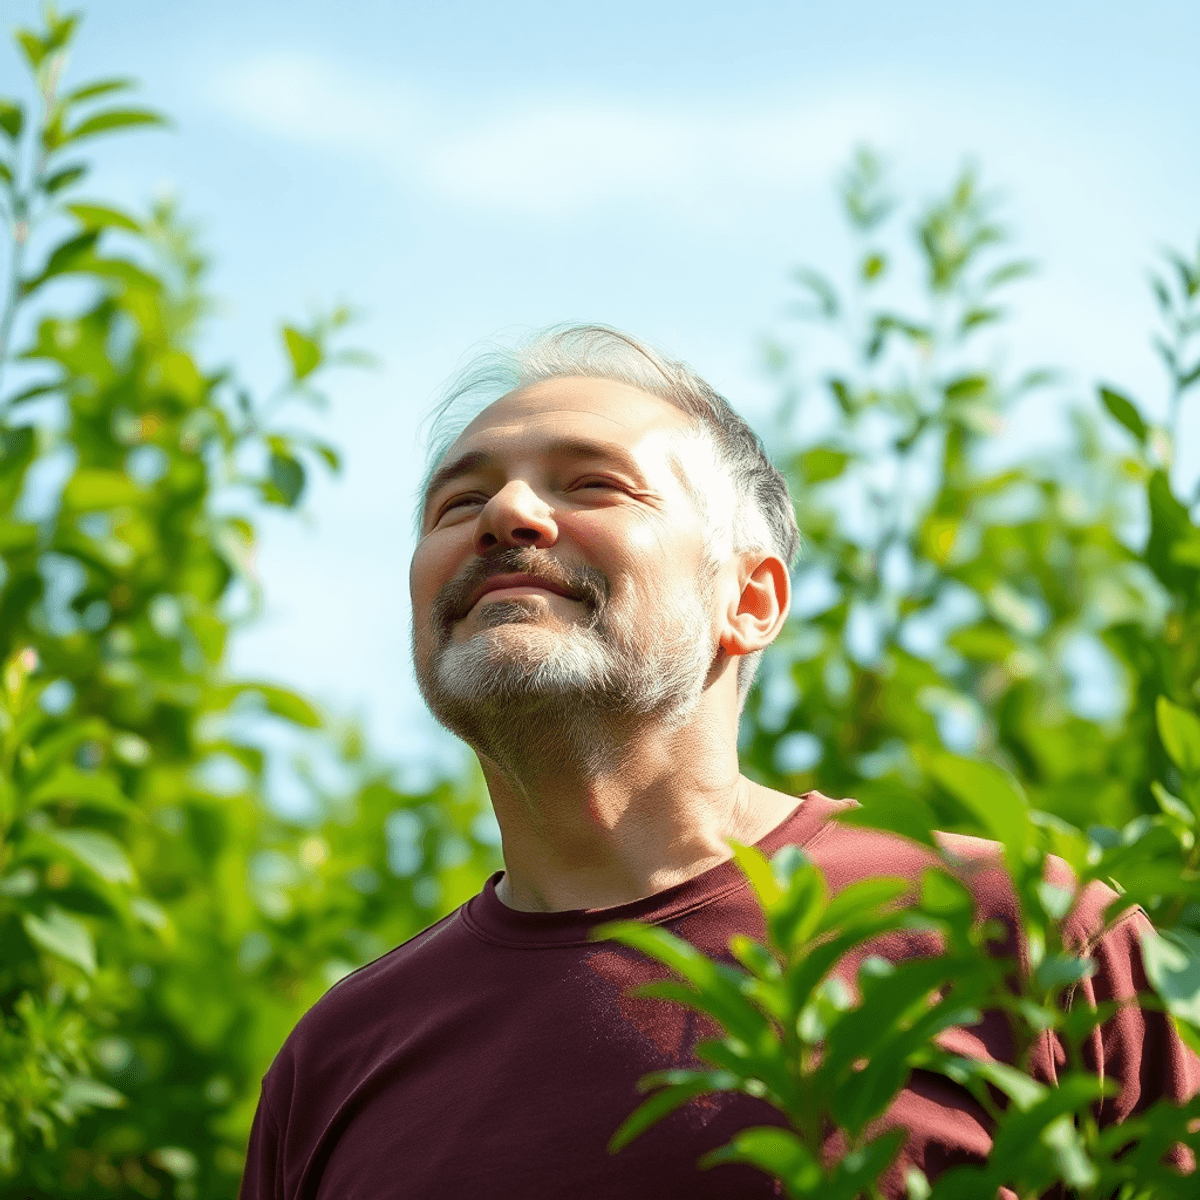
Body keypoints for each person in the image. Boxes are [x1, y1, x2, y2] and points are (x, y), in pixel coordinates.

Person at [239, 325, 1198, 1199]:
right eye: (459, 500)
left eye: (593, 484)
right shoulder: (338, 1057)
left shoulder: (1019, 936)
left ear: (750, 600)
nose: (508, 514)